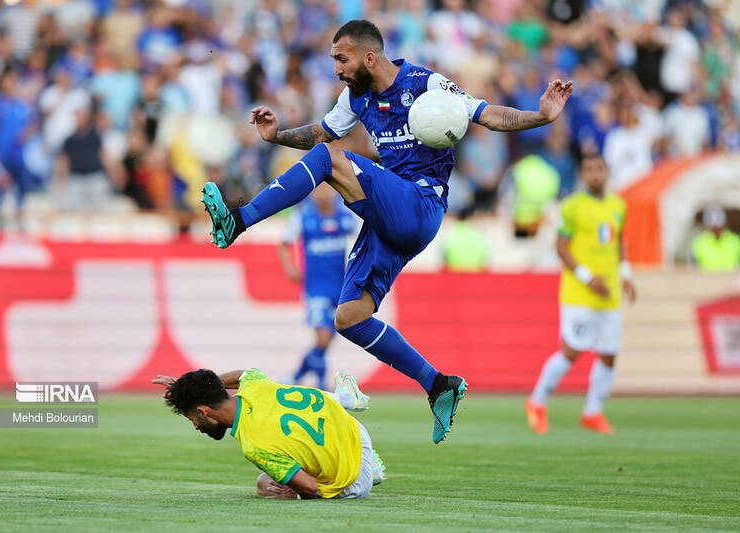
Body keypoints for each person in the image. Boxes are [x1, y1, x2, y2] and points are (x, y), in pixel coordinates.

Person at [200, 19, 573, 443]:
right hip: (389, 216)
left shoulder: (427, 83)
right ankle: (438, 385)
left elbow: (489, 115)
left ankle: (239, 221)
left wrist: (541, 116)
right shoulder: (355, 97)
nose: (337, 69)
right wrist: (276, 136)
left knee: (328, 159)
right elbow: (321, 131)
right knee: (349, 318)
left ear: (368, 56)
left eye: (342, 59)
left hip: (419, 203)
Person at [525, 154, 637, 435]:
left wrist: (625, 275)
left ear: (607, 172)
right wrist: (587, 278)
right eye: (589, 170)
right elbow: (561, 247)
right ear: (583, 175)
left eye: (599, 169)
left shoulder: (618, 205)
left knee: (610, 354)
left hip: (608, 293)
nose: (595, 174)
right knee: (573, 350)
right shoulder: (573, 205)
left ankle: (593, 412)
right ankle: (537, 402)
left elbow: (618, 240)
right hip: (579, 293)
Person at [152, 368, 385, 500]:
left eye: (192, 418)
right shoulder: (254, 383)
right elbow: (242, 374)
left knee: (265, 483)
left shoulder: (254, 446)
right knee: (296, 396)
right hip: (352, 428)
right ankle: (344, 398)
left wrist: (293, 494)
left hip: (355, 482)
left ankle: (366, 472)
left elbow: (310, 486)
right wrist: (190, 387)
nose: (195, 426)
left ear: (203, 412)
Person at [278, 183, 358, 390]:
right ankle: (322, 386)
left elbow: (363, 237)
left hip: (340, 288)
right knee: (322, 338)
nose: (323, 194)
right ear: (312, 193)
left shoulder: (344, 216)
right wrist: (290, 268)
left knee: (327, 339)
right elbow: (284, 243)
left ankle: (295, 377)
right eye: (318, 189)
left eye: (327, 189)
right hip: (315, 288)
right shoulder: (303, 217)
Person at [691, 206, 740, 272]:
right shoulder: (699, 242)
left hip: (730, 281)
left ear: (724, 224)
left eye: (718, 226)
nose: (716, 230)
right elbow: (693, 268)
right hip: (705, 280)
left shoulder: (736, 241)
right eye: (713, 227)